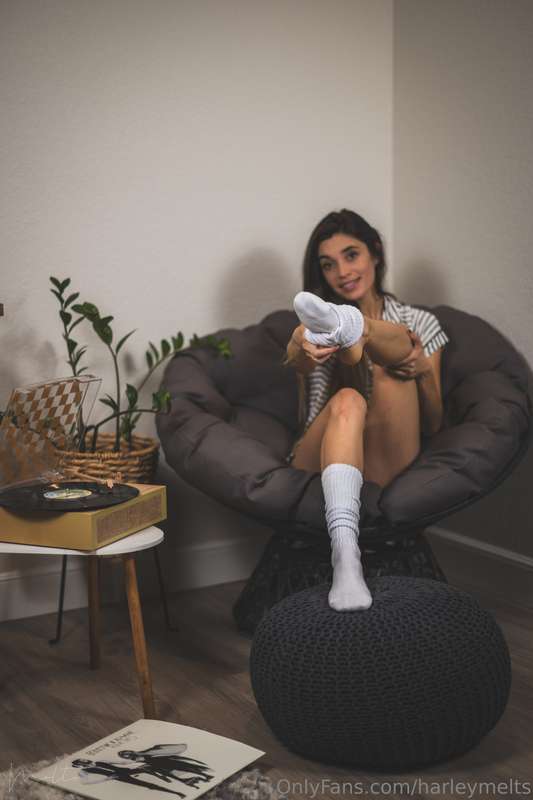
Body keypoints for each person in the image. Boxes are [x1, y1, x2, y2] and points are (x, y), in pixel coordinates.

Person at [284, 209, 449, 613]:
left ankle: (357, 327)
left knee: (392, 370)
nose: (342, 272)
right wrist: (301, 342)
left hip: (387, 452)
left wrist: (423, 371)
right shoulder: (316, 323)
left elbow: (434, 423)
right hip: (321, 457)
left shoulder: (419, 322)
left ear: (375, 252)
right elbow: (300, 366)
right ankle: (346, 555)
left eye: (351, 255)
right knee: (346, 397)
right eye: (328, 264)